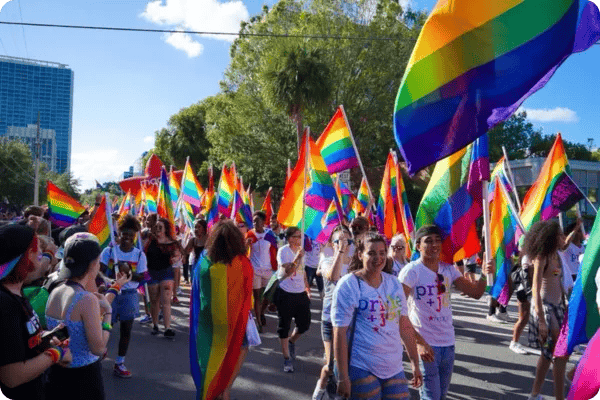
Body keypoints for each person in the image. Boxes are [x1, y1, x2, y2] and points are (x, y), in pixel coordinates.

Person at [398, 225, 494, 400]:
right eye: (428, 241)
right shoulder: (411, 271)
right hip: (426, 345)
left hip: (448, 344)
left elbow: (476, 293)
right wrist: (418, 342)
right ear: (418, 246)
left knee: (440, 396)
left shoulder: (448, 269)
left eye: (437, 240)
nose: (434, 245)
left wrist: (485, 275)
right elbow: (398, 311)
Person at [332, 231, 423, 399]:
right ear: (360, 254)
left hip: (394, 368)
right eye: (371, 253)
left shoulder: (394, 284)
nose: (378, 258)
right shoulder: (349, 285)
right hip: (361, 367)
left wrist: (415, 363)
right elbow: (339, 333)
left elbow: (404, 325)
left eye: (382, 253)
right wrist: (343, 377)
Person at [45, 232, 130, 400]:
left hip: (56, 373)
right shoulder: (86, 298)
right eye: (98, 261)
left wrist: (116, 287)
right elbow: (98, 349)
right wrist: (108, 314)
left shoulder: (55, 291)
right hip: (83, 378)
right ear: (93, 264)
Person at [0, 224, 72, 400]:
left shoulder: (17, 293)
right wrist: (56, 353)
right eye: (37, 248)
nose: (42, 253)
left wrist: (43, 339)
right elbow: (11, 376)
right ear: (25, 256)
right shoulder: (4, 304)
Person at [190, 220, 253, 400]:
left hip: (208, 321)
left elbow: (197, 292)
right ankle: (225, 389)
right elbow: (247, 294)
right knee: (238, 349)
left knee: (209, 357)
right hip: (233, 323)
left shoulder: (204, 262)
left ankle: (211, 388)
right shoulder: (242, 264)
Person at [523, 221, 569, 400]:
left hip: (559, 307)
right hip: (544, 309)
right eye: (560, 235)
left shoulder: (558, 255)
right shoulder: (542, 257)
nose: (563, 238)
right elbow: (535, 287)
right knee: (560, 353)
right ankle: (559, 397)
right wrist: (541, 319)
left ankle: (534, 394)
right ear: (551, 237)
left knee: (548, 353)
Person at [99, 215, 148, 378]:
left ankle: (119, 362)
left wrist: (128, 273)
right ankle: (99, 352)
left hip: (129, 295)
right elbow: (99, 270)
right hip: (111, 293)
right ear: (118, 234)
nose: (126, 237)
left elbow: (141, 277)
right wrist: (107, 278)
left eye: (130, 235)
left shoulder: (139, 255)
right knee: (104, 327)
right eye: (124, 234)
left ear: (134, 236)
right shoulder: (110, 251)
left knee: (126, 330)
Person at [312, 224, 353, 400]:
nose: (344, 244)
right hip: (331, 320)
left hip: (351, 321)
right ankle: (319, 390)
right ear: (332, 243)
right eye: (339, 240)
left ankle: (338, 395)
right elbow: (333, 277)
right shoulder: (327, 258)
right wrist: (340, 252)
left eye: (347, 240)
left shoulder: (356, 263)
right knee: (331, 365)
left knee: (347, 365)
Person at [276, 227, 311, 373]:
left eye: (300, 236)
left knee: (304, 324)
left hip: (300, 293)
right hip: (285, 293)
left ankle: (291, 341)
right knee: (284, 326)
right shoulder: (283, 251)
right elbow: (289, 271)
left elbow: (302, 273)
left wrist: (307, 288)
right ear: (290, 238)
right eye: (297, 236)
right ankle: (286, 358)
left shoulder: (302, 251)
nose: (300, 239)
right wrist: (297, 257)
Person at [145, 217, 181, 339]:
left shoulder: (172, 243)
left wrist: (175, 258)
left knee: (166, 301)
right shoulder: (149, 240)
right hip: (152, 272)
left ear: (166, 229)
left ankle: (167, 328)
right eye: (156, 227)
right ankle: (155, 324)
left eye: (160, 227)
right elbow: (142, 252)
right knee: (154, 300)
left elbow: (178, 255)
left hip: (166, 273)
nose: (158, 229)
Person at [245, 211, 278, 332]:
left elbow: (275, 250)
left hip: (268, 269)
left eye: (257, 221)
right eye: (253, 221)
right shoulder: (249, 235)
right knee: (257, 296)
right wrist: (246, 245)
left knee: (269, 295)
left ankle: (262, 312)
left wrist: (277, 265)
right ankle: (258, 321)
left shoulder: (269, 235)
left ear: (263, 222)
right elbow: (243, 251)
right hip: (255, 270)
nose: (255, 223)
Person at [560, 219, 585, 284]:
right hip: (571, 276)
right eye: (579, 231)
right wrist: (576, 227)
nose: (582, 232)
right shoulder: (568, 246)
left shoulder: (584, 247)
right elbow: (567, 242)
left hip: (581, 275)